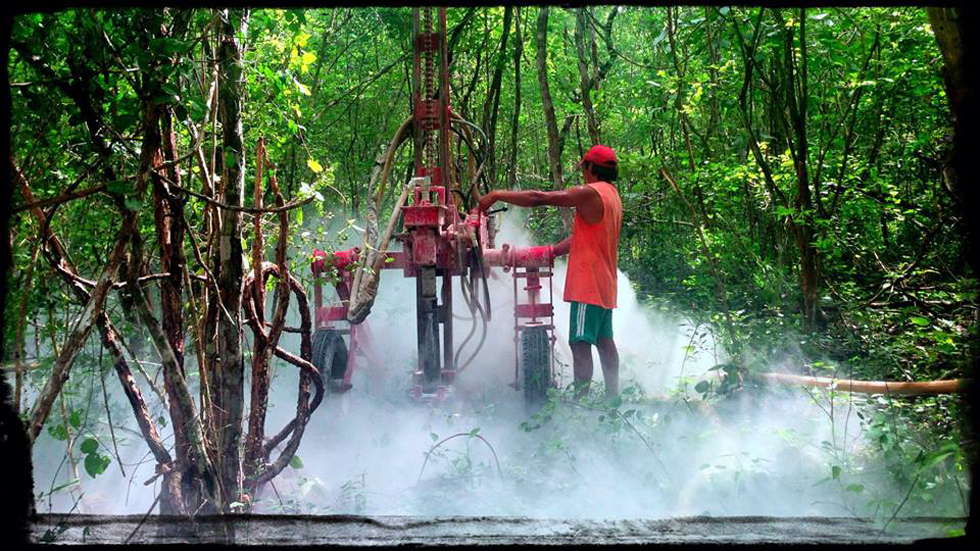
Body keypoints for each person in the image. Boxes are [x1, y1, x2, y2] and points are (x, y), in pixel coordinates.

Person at [478, 145, 623, 399]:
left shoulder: (590, 194)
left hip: (588, 284)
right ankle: (613, 399)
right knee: (604, 341)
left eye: (584, 169)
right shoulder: (612, 195)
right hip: (605, 282)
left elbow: (538, 198)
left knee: (579, 343)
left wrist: (497, 194)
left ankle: (581, 404)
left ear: (590, 168)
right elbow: (587, 234)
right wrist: (554, 251)